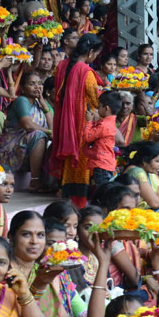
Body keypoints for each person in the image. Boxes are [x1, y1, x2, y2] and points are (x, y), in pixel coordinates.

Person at [52, 34, 103, 207]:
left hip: (63, 121)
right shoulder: (85, 72)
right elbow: (97, 101)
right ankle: (78, 202)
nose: (95, 58)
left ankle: (65, 195)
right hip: (81, 122)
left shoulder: (61, 65)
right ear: (90, 52)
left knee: (69, 162)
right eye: (96, 54)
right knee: (81, 160)